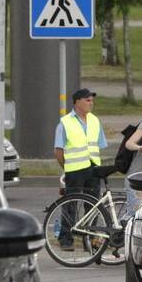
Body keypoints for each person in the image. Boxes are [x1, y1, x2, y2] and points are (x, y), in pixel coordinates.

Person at [54, 88, 107, 248]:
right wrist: (67, 166)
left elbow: (99, 145)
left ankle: (89, 240)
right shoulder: (65, 122)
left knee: (93, 206)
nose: (91, 103)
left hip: (93, 168)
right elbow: (58, 151)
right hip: (75, 170)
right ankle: (66, 239)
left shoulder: (94, 120)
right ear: (77, 102)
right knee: (71, 205)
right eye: (87, 100)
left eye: (92, 100)